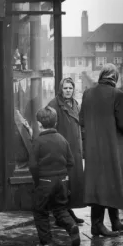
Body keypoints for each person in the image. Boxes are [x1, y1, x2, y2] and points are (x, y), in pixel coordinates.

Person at [79, 63, 123, 237]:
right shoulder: (117, 95)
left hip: (93, 146)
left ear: (101, 76)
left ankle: (114, 222)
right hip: (112, 145)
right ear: (115, 78)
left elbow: (82, 119)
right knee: (112, 181)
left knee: (100, 182)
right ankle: (98, 225)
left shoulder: (88, 93)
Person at [29, 106, 81, 246]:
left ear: (39, 124)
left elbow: (33, 165)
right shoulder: (62, 139)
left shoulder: (38, 141)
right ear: (56, 123)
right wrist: (63, 175)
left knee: (40, 210)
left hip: (45, 180)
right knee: (60, 208)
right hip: (62, 180)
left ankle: (46, 242)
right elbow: (71, 162)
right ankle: (71, 226)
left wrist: (37, 180)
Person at [47, 77, 85, 224]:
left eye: (70, 88)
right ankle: (61, 214)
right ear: (60, 89)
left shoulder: (76, 104)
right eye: (65, 88)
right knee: (63, 183)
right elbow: (49, 126)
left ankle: (68, 211)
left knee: (73, 183)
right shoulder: (54, 105)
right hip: (62, 149)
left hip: (75, 150)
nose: (68, 91)